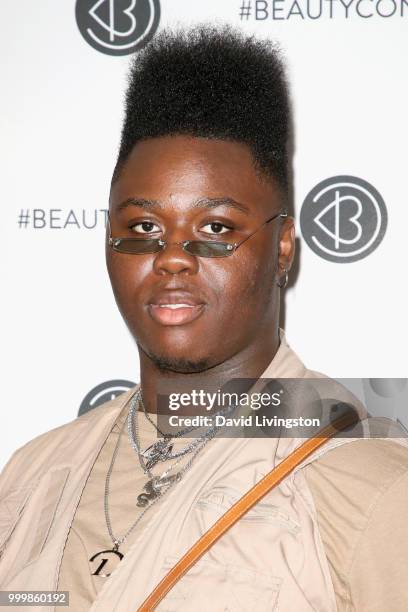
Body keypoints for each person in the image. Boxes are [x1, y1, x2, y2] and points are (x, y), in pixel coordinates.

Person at [1, 25, 407, 612]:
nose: (170, 257)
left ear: (284, 247)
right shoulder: (33, 475)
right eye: (143, 229)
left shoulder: (369, 488)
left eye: (216, 228)